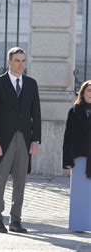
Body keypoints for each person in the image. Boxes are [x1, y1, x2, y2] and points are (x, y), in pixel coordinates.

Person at [0, 47, 41, 234]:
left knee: (20, 181)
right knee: (0, 179)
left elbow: (36, 114)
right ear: (9, 61)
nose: (20, 64)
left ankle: (16, 220)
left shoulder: (31, 84)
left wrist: (36, 140)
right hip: (3, 139)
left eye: (23, 61)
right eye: (17, 60)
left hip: (24, 139)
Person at [63, 80, 91, 232]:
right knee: (79, 194)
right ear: (83, 92)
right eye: (89, 90)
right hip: (79, 157)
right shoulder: (74, 111)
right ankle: (78, 225)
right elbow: (67, 137)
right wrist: (66, 159)